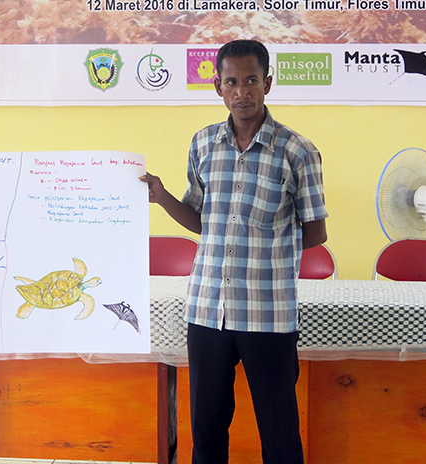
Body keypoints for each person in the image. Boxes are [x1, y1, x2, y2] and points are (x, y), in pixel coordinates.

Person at [141, 39, 328, 464]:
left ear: (267, 84)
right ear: (218, 88)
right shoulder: (204, 144)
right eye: (232, 82)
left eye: (250, 80)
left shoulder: (297, 151)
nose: (241, 91)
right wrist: (162, 195)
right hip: (208, 309)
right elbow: (200, 220)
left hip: (267, 311)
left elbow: (315, 233)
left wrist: (264, 243)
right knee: (206, 429)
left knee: (278, 431)